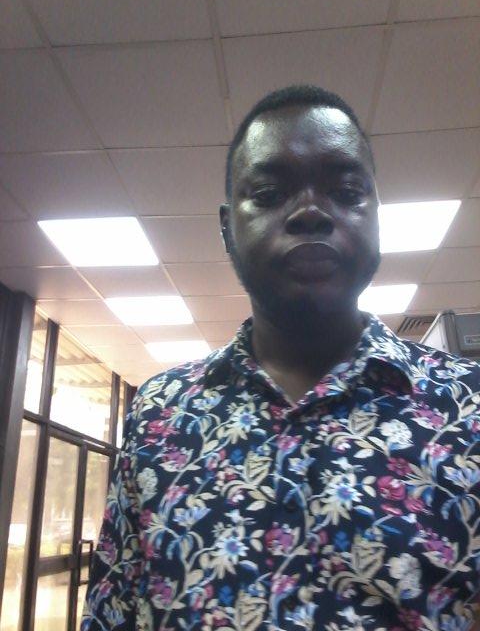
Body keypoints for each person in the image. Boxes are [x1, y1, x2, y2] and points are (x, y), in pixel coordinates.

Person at [81, 85, 480, 631]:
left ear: (377, 217)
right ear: (227, 229)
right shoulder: (159, 414)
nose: (311, 212)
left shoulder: (469, 405)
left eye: (346, 190)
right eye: (269, 193)